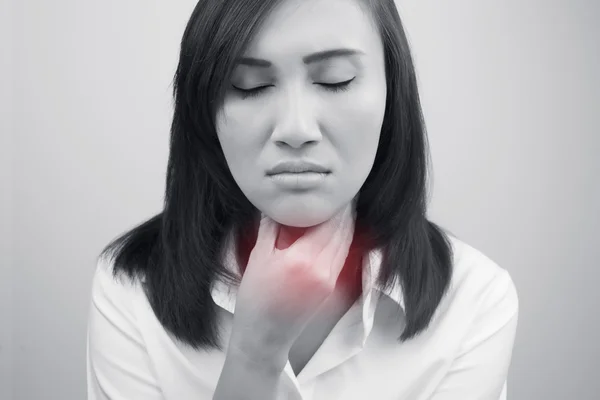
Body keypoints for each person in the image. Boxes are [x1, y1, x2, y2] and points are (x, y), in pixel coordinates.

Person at [86, 0, 519, 398]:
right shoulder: (132, 288)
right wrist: (254, 357)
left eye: (336, 80)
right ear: (205, 110)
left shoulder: (474, 301)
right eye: (249, 85)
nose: (295, 129)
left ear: (392, 91)